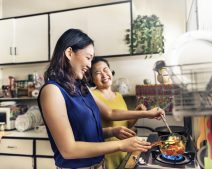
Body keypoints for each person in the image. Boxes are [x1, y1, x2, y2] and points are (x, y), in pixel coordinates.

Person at [37, 28, 165, 169]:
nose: (89, 65)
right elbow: (69, 150)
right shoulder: (52, 91)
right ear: (69, 53)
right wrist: (121, 145)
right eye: (88, 58)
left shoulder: (81, 88)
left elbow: (107, 114)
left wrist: (112, 131)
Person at [91, 57, 145, 169]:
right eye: (97, 72)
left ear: (111, 72)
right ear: (92, 78)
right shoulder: (91, 96)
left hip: (123, 151)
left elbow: (125, 125)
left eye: (106, 69)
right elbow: (90, 130)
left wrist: (137, 113)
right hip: (105, 155)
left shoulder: (119, 96)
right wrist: (146, 113)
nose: (104, 74)